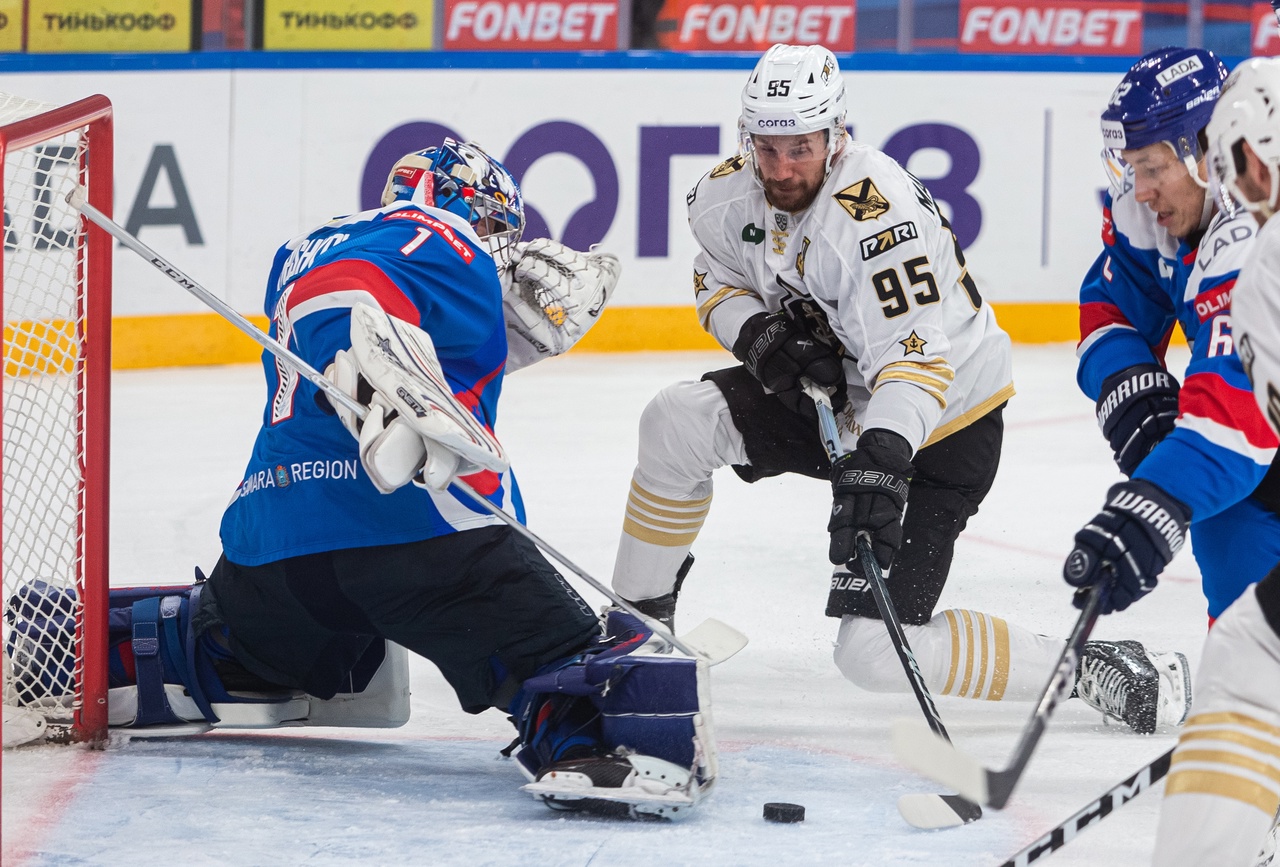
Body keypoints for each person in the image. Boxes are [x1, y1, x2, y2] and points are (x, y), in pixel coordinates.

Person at [16, 139, 719, 819]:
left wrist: (500, 340)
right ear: (467, 204)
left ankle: (58, 640)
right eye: (499, 226)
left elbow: (359, 308)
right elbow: (353, 295)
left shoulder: (301, 250)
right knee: (579, 669)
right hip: (422, 545)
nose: (501, 245)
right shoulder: (440, 232)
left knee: (223, 640)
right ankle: (587, 738)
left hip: (273, 551)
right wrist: (393, 358)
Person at [607, 42, 1185, 734]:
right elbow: (714, 282)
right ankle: (635, 633)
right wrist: (758, 337)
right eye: (769, 148)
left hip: (942, 424)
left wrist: (880, 463)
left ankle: (1087, 663)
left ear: (835, 135)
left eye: (802, 148)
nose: (784, 168)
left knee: (872, 652)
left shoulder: (875, 216)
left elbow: (915, 363)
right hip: (839, 399)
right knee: (677, 418)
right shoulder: (725, 196)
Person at [1063, 47, 1280, 746]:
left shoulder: (1253, 239)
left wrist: (1155, 499)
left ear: (1204, 150)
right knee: (1242, 617)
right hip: (1258, 439)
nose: (1141, 189)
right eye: (1132, 169)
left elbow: (1233, 413)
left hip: (1253, 427)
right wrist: (1131, 393)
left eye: (1152, 166)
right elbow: (1110, 306)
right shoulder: (1156, 213)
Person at [1130, 56, 1280, 867]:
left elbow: (1237, 427)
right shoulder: (1253, 258)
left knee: (1248, 656)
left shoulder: (1259, 263)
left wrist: (1153, 497)